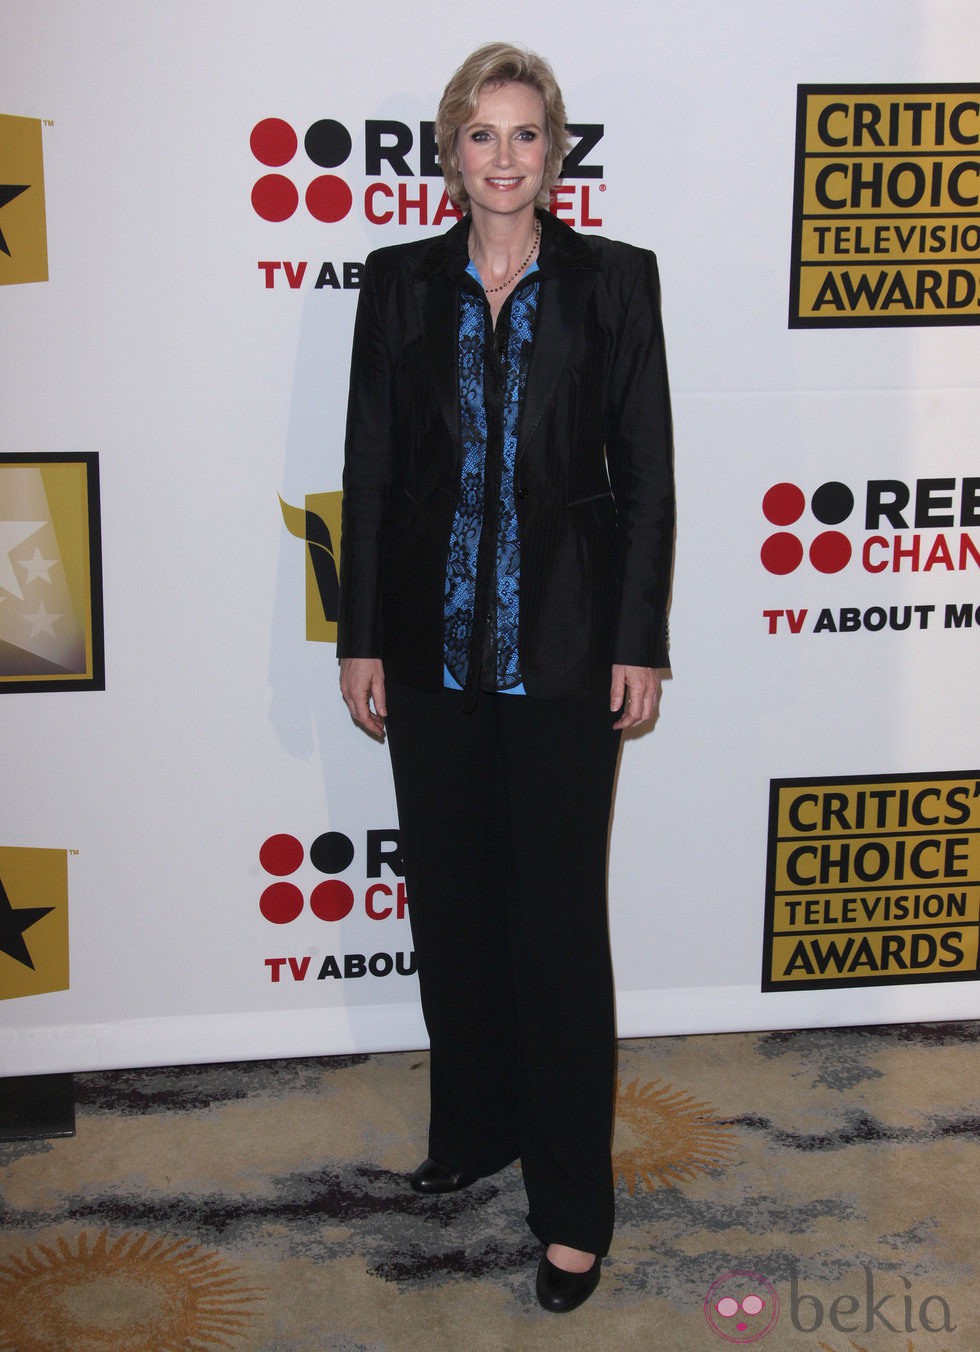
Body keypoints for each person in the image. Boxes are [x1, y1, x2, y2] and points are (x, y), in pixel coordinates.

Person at [338, 41, 674, 1313]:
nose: (502, 157)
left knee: (552, 929)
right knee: (456, 913)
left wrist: (638, 639)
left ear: (555, 150)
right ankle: (473, 1127)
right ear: (449, 149)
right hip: (427, 651)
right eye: (480, 134)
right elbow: (368, 466)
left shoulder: (614, 283)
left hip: (567, 651)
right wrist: (357, 633)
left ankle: (574, 1208)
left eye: (524, 133)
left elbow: (646, 476)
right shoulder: (398, 283)